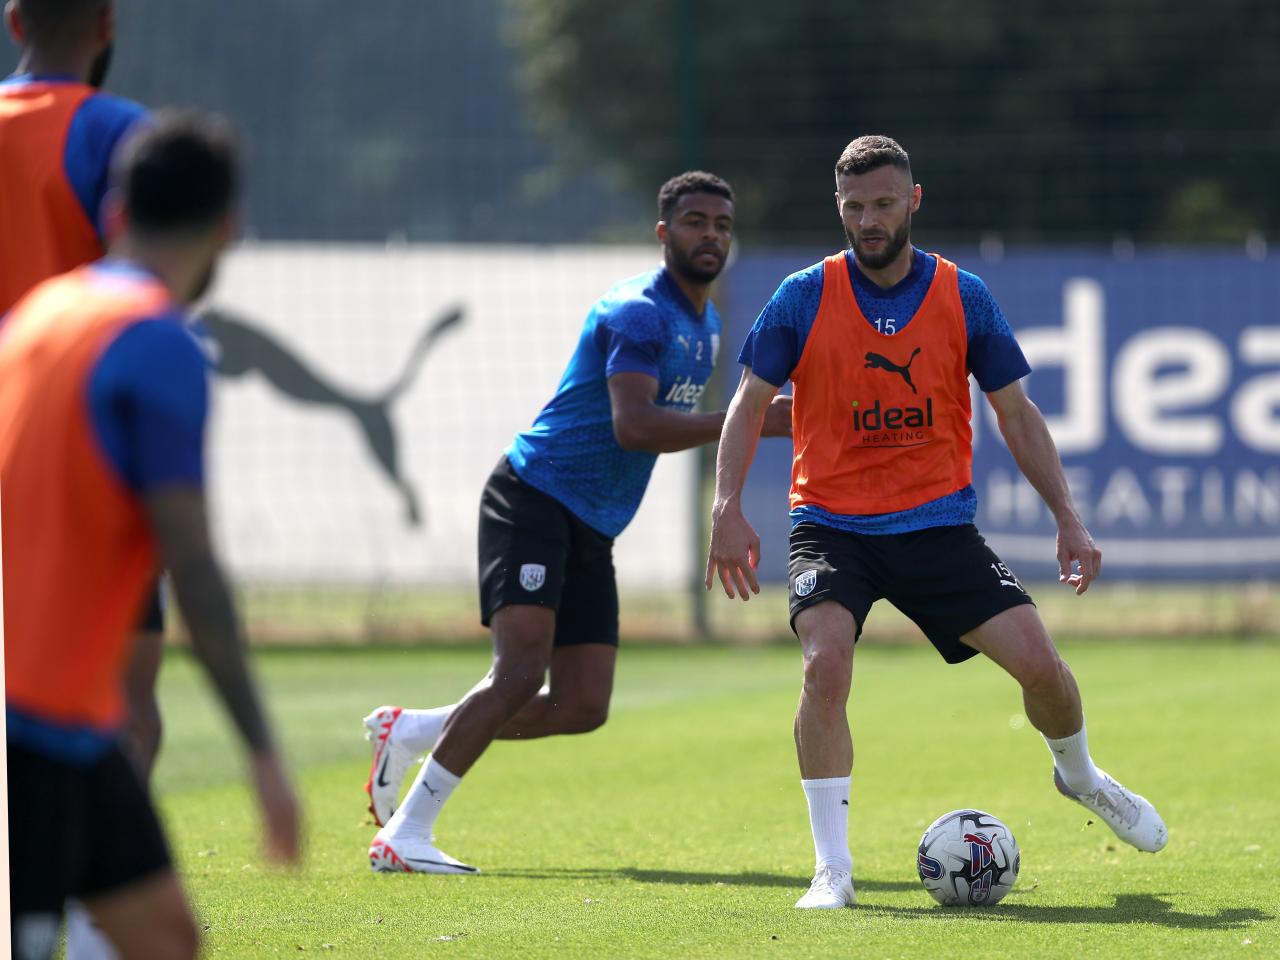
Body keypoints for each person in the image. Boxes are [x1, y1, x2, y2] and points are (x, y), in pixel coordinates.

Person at [705, 135, 1167, 910]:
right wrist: (724, 508)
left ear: (913, 199)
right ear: (839, 208)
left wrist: (1068, 518)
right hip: (831, 523)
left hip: (936, 527)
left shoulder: (964, 295)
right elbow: (750, 405)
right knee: (825, 665)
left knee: (1044, 671)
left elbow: (1014, 412)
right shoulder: (802, 294)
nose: (869, 219)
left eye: (883, 203)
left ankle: (1079, 774)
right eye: (854, 207)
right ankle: (833, 869)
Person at [362, 171, 792, 874]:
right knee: (520, 672)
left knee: (583, 704)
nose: (709, 234)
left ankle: (412, 730)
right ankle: (405, 833)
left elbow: (666, 422)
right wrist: (747, 421)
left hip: (592, 523)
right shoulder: (638, 312)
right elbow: (634, 426)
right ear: (664, 233)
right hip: (533, 498)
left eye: (721, 223)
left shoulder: (707, 322)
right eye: (693, 221)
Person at [2, 111, 301, 960]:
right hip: (29, 725)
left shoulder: (39, 315)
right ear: (228, 229)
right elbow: (193, 565)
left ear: (114, 210)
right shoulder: (159, 342)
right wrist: (263, 755)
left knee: (166, 941)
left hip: (76, 723)